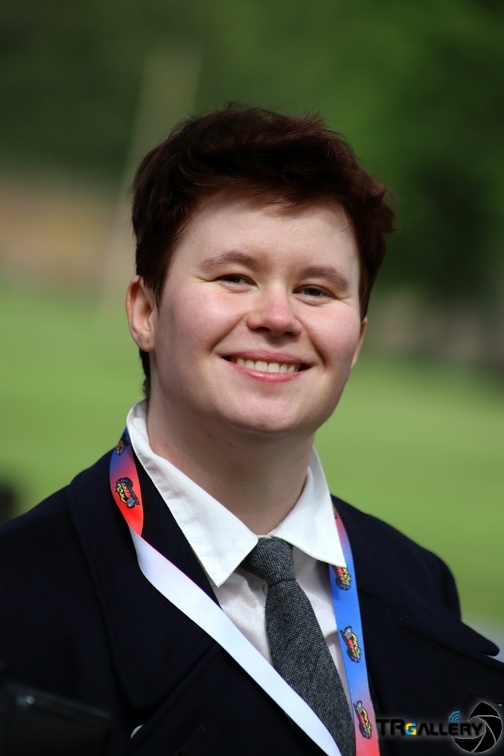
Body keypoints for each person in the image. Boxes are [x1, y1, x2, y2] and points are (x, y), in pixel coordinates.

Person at [0, 106, 502, 756]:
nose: (277, 317)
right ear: (146, 311)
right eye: (235, 278)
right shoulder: (19, 596)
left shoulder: (418, 582)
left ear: (356, 340)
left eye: (316, 290)